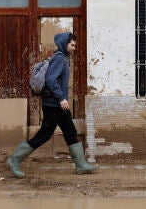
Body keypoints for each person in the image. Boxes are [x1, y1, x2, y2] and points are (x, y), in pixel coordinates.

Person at [7, 32, 98, 178]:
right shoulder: (59, 58)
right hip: (54, 105)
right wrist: (61, 98)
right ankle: (15, 159)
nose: (74, 48)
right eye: (72, 45)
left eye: (74, 45)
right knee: (44, 135)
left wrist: (62, 100)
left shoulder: (62, 58)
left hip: (60, 106)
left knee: (70, 131)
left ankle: (81, 165)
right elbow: (50, 80)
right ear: (64, 44)